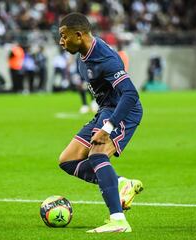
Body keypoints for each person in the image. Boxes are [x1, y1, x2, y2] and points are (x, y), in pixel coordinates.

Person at [58, 12, 143, 233]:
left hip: (124, 112)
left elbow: (131, 95)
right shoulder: (82, 56)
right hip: (105, 110)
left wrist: (107, 128)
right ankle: (122, 182)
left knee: (96, 155)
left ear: (78, 34)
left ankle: (118, 220)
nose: (61, 41)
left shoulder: (105, 58)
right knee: (67, 160)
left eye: (63, 36)